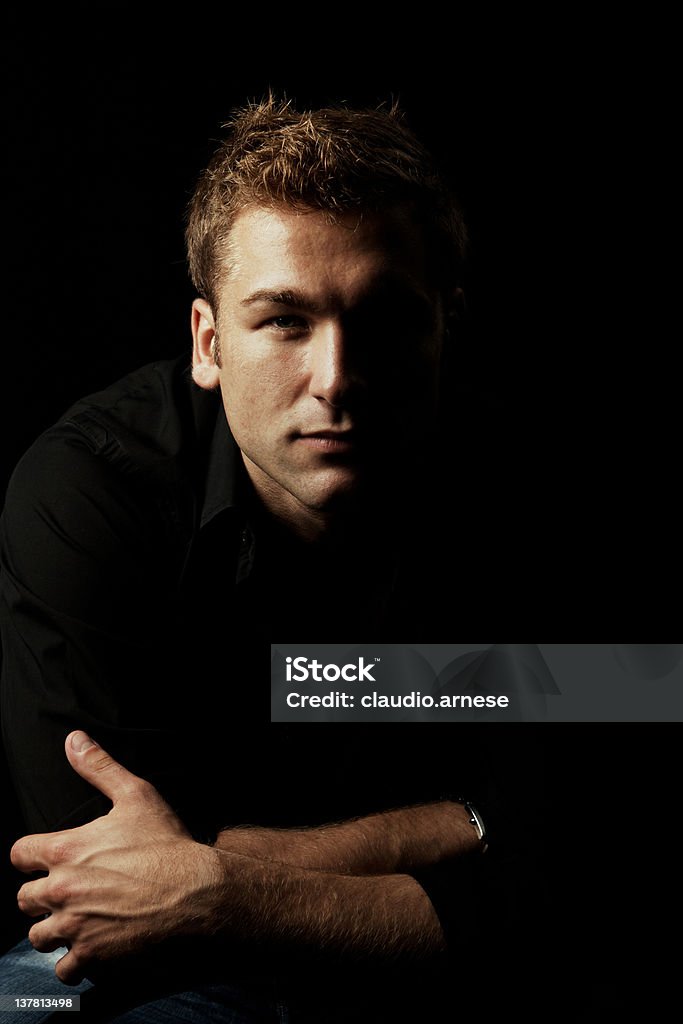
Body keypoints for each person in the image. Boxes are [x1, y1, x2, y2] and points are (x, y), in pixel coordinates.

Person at [0, 97, 542, 1022]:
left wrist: (229, 885)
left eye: (383, 321)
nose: (336, 377)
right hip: (154, 961)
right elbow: (104, 871)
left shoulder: (524, 485)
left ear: (443, 329)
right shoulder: (90, 490)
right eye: (285, 322)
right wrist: (468, 820)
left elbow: (608, 822)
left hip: (464, 948)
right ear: (209, 344)